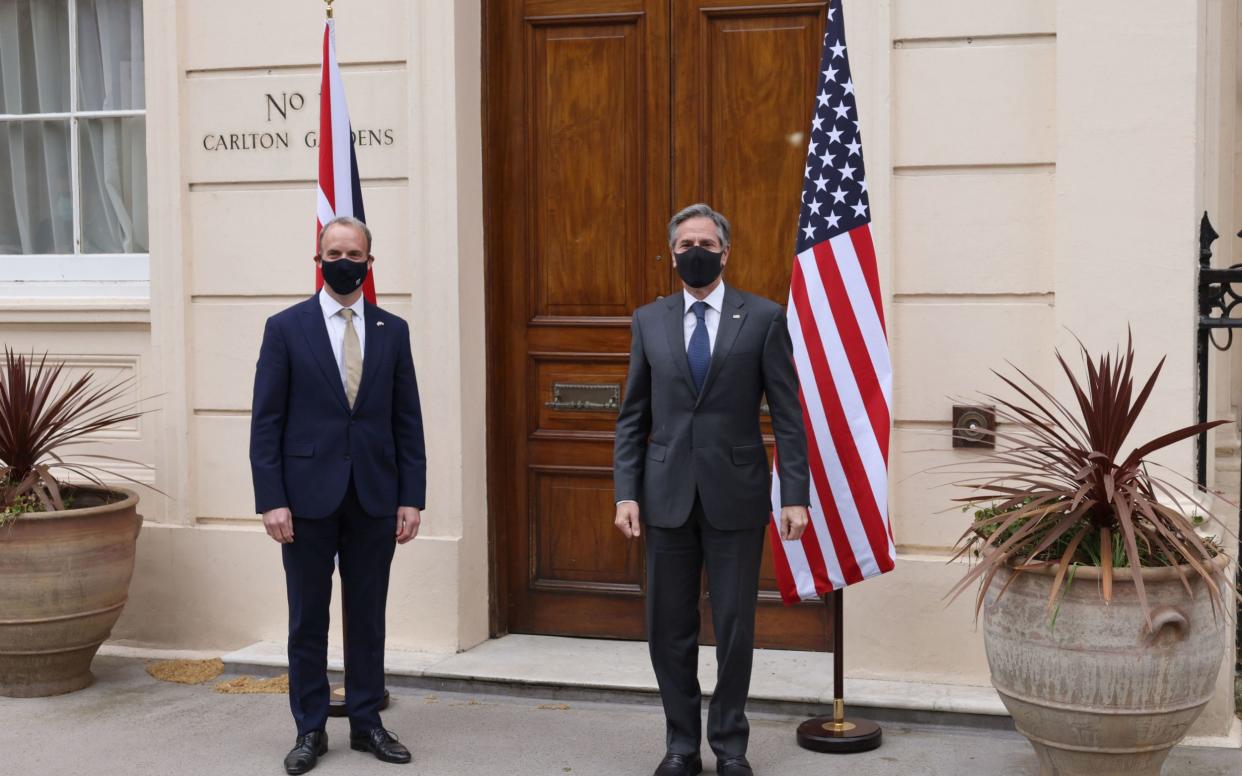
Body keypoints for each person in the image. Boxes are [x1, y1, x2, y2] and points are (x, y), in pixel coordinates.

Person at [613, 204, 810, 776]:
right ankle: (680, 745)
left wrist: (792, 492)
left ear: (725, 252)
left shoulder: (765, 317)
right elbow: (632, 417)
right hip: (665, 497)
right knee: (667, 629)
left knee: (734, 628)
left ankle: (730, 745)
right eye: (683, 244)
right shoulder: (649, 320)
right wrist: (626, 492)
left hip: (737, 495)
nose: (693, 251)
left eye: (705, 242)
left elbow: (789, 416)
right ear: (672, 254)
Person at [250, 216, 426, 774]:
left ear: (370, 264)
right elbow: (266, 422)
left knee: (367, 614)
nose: (343, 261)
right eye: (333, 252)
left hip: (375, 495)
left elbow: (408, 422)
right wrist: (270, 498)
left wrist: (412, 496)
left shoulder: (391, 330)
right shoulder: (285, 328)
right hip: (303, 500)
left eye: (354, 254)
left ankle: (368, 722)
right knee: (307, 618)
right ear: (317, 259)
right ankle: (309, 728)